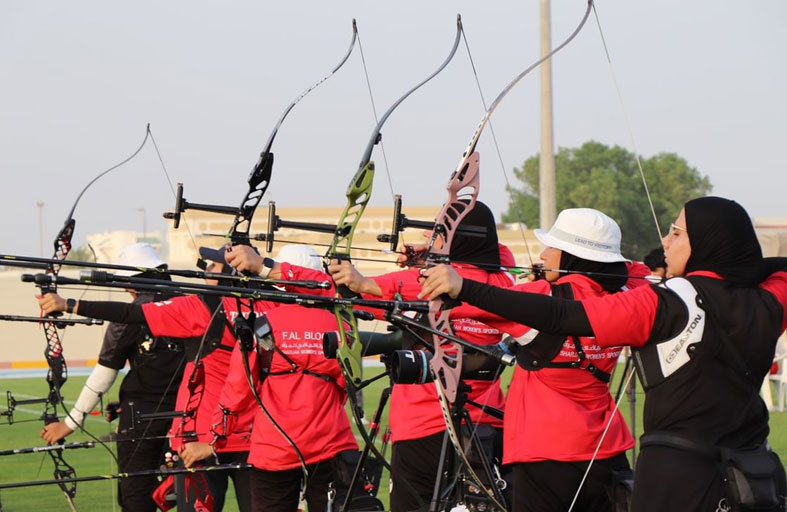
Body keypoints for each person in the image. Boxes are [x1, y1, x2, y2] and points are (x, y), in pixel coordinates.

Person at [419, 197, 787, 512]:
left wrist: (465, 286)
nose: (665, 241)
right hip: (751, 474)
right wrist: (744, 269)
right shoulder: (772, 299)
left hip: (677, 477)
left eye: (676, 233)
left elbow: (562, 315)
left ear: (706, 243)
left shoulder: (661, 302)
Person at [227, 201, 517, 511]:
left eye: (439, 232)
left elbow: (337, 289)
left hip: (424, 431)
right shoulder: (501, 283)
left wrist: (266, 267)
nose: (431, 237)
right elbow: (497, 257)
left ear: (458, 237)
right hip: (486, 426)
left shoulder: (423, 282)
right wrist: (434, 255)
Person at [38, 245, 267, 512]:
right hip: (243, 430)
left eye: (213, 267)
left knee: (138, 497)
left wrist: (69, 304)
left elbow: (124, 327)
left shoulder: (199, 306)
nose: (205, 271)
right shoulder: (260, 306)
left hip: (191, 430)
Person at [212, 244, 359, 512]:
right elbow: (349, 383)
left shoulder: (261, 324)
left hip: (274, 450)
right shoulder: (342, 326)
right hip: (332, 443)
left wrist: (219, 430)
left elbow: (239, 387)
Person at [40, 243, 185, 512]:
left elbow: (105, 372)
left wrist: (70, 423)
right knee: (188, 495)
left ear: (131, 282)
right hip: (191, 417)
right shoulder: (192, 301)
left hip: (142, 420)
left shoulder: (134, 313)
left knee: (136, 496)